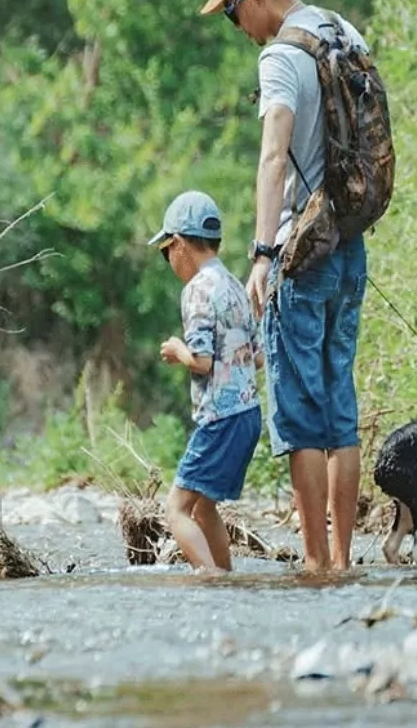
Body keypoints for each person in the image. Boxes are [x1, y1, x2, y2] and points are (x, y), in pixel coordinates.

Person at [200, 0, 370, 574]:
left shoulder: (280, 57)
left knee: (300, 415)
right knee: (340, 404)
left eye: (229, 9)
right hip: (352, 247)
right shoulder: (342, 30)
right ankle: (345, 560)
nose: (232, 23)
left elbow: (274, 157)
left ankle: (315, 559)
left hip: (303, 250)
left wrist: (263, 255)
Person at [149, 190, 263, 573]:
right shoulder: (234, 285)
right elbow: (258, 356)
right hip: (248, 414)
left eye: (166, 250)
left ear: (179, 243)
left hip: (219, 418)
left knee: (176, 509)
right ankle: (226, 577)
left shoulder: (196, 290)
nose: (168, 260)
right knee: (204, 506)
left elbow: (201, 361)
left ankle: (210, 578)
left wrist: (177, 350)